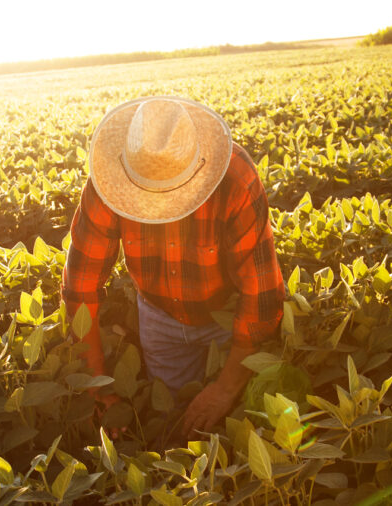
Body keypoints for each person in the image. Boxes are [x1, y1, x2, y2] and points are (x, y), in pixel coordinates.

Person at [61, 95, 285, 439]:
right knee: (177, 425)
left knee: (235, 423)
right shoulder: (108, 182)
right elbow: (81, 286)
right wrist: (97, 387)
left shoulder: (235, 178)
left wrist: (226, 389)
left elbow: (261, 298)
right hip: (158, 315)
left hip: (228, 314)